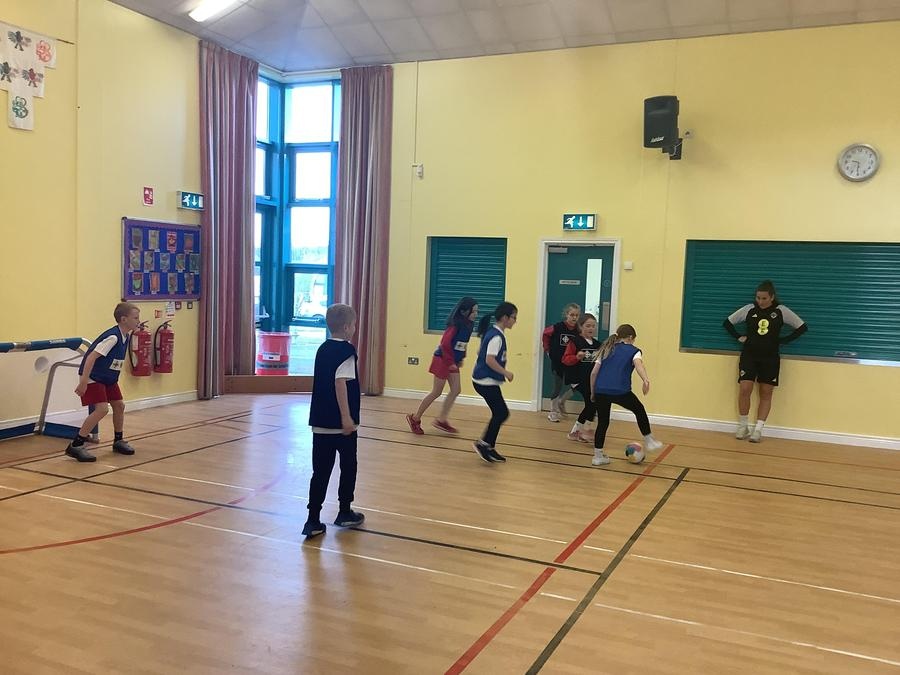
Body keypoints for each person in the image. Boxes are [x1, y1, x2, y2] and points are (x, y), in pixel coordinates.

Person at [302, 304, 366, 539]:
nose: (355, 328)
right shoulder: (346, 351)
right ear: (347, 327)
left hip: (320, 423)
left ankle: (313, 520)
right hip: (341, 426)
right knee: (348, 467)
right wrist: (346, 418)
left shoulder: (322, 349)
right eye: (354, 325)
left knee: (320, 472)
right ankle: (344, 511)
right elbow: (341, 384)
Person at [723, 279, 807, 443]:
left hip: (770, 358)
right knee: (745, 388)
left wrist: (783, 341)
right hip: (749, 355)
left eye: (764, 298)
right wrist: (738, 337)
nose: (760, 301)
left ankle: (758, 429)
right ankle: (743, 426)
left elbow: (802, 327)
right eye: (758, 298)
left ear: (772, 297)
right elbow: (727, 323)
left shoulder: (781, 311)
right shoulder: (749, 309)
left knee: (766, 392)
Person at [65, 303, 142, 462]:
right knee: (102, 409)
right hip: (94, 377)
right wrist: (83, 382)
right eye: (135, 318)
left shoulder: (126, 336)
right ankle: (76, 445)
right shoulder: (113, 337)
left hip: (108, 378)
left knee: (119, 405)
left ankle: (118, 440)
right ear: (124, 319)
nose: (138, 321)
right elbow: (91, 357)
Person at [588, 324, 663, 467]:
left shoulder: (606, 349)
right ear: (630, 337)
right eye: (634, 340)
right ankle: (649, 440)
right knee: (639, 409)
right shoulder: (633, 350)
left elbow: (593, 373)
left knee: (603, 423)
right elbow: (639, 365)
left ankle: (597, 457)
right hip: (620, 391)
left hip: (601, 390)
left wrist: (593, 392)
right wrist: (645, 380)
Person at [406, 297, 478, 435]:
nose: (476, 314)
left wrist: (461, 358)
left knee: (456, 390)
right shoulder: (455, 325)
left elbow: (462, 343)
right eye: (473, 311)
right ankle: (415, 418)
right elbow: (445, 344)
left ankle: (441, 420)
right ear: (464, 311)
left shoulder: (469, 325)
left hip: (453, 362)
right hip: (443, 360)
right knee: (436, 392)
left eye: (476, 311)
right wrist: (450, 362)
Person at [471, 301, 517, 463]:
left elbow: (479, 351)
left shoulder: (492, 332)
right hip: (485, 381)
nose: (515, 321)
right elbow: (489, 360)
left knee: (499, 413)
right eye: (513, 317)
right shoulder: (496, 336)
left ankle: (488, 446)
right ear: (505, 318)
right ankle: (483, 444)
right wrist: (506, 373)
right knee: (501, 413)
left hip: (483, 380)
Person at [562, 313, 601, 443]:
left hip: (590, 380)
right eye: (588, 326)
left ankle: (578, 432)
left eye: (593, 326)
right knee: (591, 402)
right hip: (577, 379)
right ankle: (584, 431)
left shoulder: (597, 344)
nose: (591, 328)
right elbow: (565, 359)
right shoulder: (575, 342)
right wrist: (576, 357)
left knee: (593, 403)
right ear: (581, 326)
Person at [542, 303, 580, 422]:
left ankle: (562, 401)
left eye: (577, 315)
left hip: (571, 362)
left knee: (578, 385)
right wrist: (547, 349)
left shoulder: (578, 330)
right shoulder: (557, 327)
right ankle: (553, 412)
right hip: (558, 362)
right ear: (566, 315)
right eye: (572, 315)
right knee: (557, 386)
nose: (574, 318)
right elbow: (545, 334)